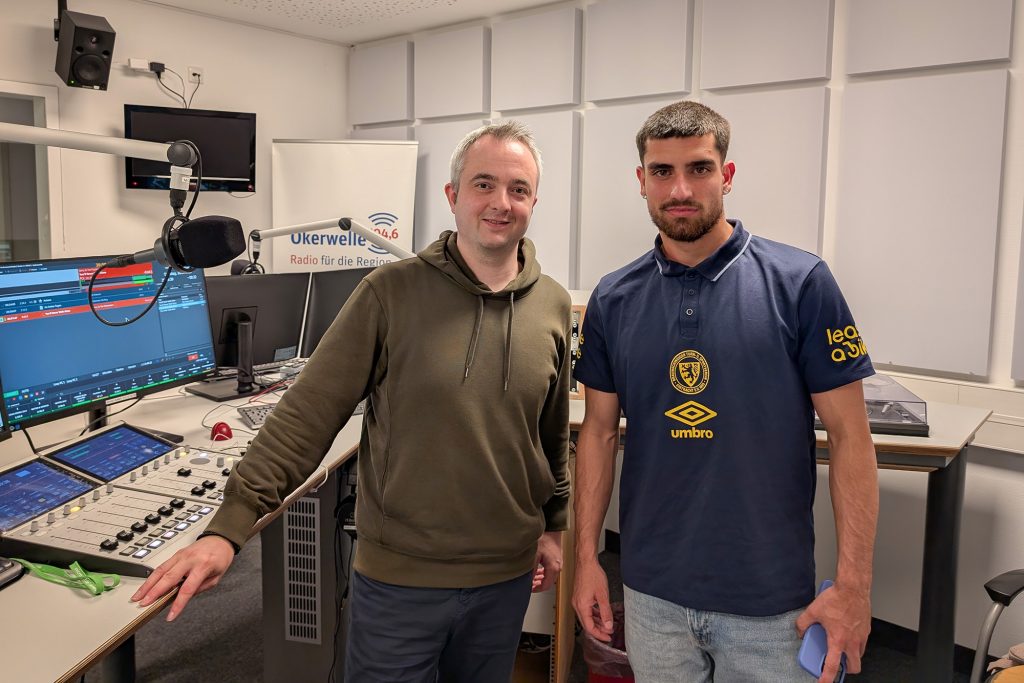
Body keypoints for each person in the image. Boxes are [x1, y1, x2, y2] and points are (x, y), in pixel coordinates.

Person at [132, 121, 573, 683]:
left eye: (518, 189)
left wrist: (553, 526)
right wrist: (230, 527)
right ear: (453, 195)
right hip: (401, 581)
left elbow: (551, 433)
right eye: (483, 184)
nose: (500, 203)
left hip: (504, 577)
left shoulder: (553, 305)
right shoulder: (390, 293)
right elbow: (305, 416)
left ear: (534, 202)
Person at [571, 100, 878, 683]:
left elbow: (850, 438)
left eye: (699, 168)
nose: (680, 188)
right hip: (652, 596)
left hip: (770, 602)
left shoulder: (802, 285)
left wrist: (855, 588)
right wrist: (587, 559)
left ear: (726, 175)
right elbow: (599, 431)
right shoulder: (612, 299)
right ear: (641, 182)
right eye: (662, 172)